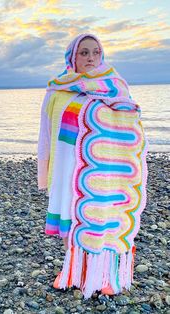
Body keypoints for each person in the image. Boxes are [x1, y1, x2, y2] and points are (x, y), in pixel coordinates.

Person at [37, 33, 148, 299]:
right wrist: (44, 172)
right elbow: (46, 134)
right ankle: (72, 271)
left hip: (103, 171)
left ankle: (105, 275)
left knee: (103, 219)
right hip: (66, 168)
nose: (89, 57)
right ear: (72, 56)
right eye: (83, 52)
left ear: (101, 55)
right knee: (69, 219)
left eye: (95, 52)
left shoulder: (115, 86)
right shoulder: (57, 90)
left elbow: (129, 123)